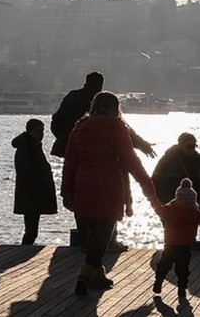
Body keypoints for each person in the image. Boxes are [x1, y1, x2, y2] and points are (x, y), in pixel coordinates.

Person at [60, 91, 157, 295]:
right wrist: (148, 186)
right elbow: (130, 160)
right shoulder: (116, 127)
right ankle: (85, 275)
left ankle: (98, 275)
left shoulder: (80, 126)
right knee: (103, 233)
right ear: (115, 108)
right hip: (108, 185)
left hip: (83, 183)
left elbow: (70, 161)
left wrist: (66, 191)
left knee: (94, 233)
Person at [51, 71, 155, 251]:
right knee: (110, 204)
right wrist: (143, 146)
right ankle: (109, 241)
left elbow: (56, 121)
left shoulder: (74, 106)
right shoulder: (105, 107)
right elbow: (126, 138)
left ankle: (85, 238)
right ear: (100, 84)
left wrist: (64, 138)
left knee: (81, 199)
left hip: (78, 156)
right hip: (108, 165)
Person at [151, 178, 200, 299]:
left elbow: (158, 208)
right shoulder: (193, 212)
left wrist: (152, 198)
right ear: (192, 200)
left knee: (164, 264)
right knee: (182, 269)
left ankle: (158, 281)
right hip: (185, 246)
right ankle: (181, 290)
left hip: (170, 244)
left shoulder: (169, 210)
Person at [12, 118, 57, 245]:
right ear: (30, 131)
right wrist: (39, 187)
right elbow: (25, 172)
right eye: (39, 131)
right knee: (31, 229)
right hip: (31, 194)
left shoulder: (33, 145)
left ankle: (25, 249)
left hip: (33, 193)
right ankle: (25, 249)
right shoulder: (26, 148)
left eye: (42, 131)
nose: (41, 134)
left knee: (32, 229)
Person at [152, 133, 200, 209]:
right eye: (189, 146)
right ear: (180, 145)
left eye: (194, 146)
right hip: (171, 205)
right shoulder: (168, 160)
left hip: (193, 206)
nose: (192, 149)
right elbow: (155, 180)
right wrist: (162, 204)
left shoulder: (198, 160)